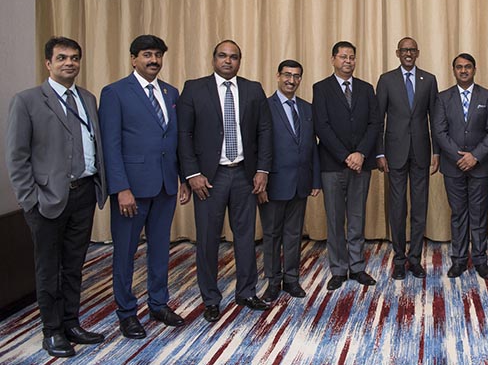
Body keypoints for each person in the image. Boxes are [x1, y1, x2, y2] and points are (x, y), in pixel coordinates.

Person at [6, 37, 107, 357]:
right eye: (62, 58)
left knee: (75, 264)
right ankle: (51, 331)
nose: (69, 63)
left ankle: (71, 322)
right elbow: (17, 157)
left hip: (84, 194)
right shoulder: (27, 101)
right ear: (48, 63)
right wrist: (29, 200)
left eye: (75, 58)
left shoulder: (88, 99)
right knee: (48, 267)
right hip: (47, 200)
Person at [98, 35, 189, 339]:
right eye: (147, 54)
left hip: (165, 185)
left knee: (160, 249)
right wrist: (120, 187)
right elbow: (110, 145)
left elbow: (173, 141)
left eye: (158, 55)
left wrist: (182, 178)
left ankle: (158, 304)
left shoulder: (170, 92)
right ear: (133, 58)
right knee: (125, 253)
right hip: (131, 190)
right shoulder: (115, 93)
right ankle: (126, 313)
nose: (154, 60)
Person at [177, 40, 272, 322]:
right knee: (207, 240)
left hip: (244, 174)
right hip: (209, 178)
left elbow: (264, 132)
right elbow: (184, 134)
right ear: (213, 59)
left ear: (240, 61)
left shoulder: (253, 89)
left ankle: (246, 292)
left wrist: (263, 170)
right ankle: (210, 298)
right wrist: (192, 174)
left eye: (234, 57)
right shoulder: (194, 88)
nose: (228, 61)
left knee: (245, 238)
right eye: (223, 56)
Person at [312, 41, 381, 291]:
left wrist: (361, 153)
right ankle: (338, 269)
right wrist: (346, 156)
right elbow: (322, 126)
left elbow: (375, 123)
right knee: (334, 219)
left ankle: (357, 266)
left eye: (352, 57)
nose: (348, 61)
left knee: (356, 217)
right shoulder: (321, 88)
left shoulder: (366, 88)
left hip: (361, 164)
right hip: (332, 164)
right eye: (343, 57)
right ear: (333, 59)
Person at [376, 37, 440, 280]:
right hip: (394, 154)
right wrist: (379, 152)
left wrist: (436, 152)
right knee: (398, 207)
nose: (408, 53)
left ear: (418, 52)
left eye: (412, 50)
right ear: (397, 53)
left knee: (419, 207)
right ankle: (399, 259)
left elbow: (435, 119)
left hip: (421, 153)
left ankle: (415, 258)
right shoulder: (386, 80)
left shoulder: (429, 80)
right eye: (404, 50)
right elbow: (377, 119)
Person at [432, 53, 488, 279]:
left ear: (474, 69)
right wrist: (458, 156)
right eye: (459, 67)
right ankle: (459, 260)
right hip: (453, 167)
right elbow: (439, 132)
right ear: (454, 70)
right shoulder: (443, 98)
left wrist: (476, 156)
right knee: (459, 214)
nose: (463, 71)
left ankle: (480, 260)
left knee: (479, 215)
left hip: (481, 166)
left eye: (468, 67)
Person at [259, 60, 321, 302]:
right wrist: (260, 181)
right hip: (272, 184)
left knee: (294, 234)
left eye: (296, 76)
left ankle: (291, 279)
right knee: (272, 234)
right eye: (287, 75)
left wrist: (315, 180)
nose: (291, 80)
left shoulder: (307, 108)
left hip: (300, 183)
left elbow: (313, 147)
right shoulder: (264, 106)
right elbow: (258, 147)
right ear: (277, 76)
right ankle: (273, 282)